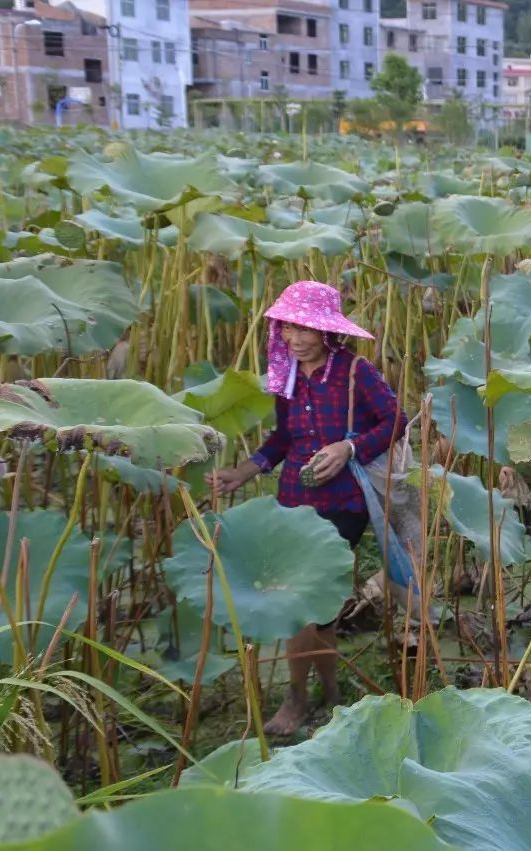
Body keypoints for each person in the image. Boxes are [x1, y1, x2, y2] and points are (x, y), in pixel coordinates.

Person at [207, 280, 405, 736]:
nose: (294, 339)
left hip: (346, 503)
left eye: (304, 329)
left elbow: (396, 420)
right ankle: (330, 693)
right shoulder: (287, 376)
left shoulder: (356, 373)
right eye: (286, 328)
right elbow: (284, 438)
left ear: (326, 331)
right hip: (294, 499)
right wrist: (247, 470)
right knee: (321, 607)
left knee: (302, 601)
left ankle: (295, 700)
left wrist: (349, 447)